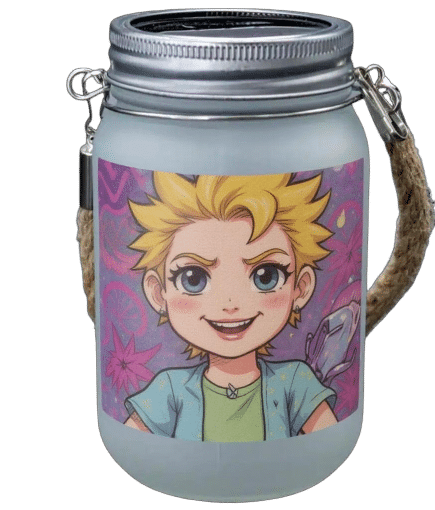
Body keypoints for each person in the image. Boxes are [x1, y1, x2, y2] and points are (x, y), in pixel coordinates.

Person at [124, 172, 338, 441]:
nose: (230, 305)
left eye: (265, 276)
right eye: (193, 278)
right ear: (158, 293)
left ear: (301, 288)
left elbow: (331, 438)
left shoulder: (295, 382)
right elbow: (129, 440)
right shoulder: (169, 389)